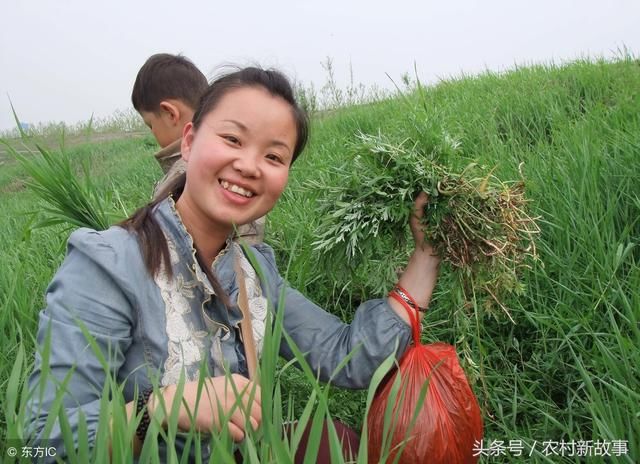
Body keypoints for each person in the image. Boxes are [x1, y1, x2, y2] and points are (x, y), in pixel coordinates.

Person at [26, 66, 440, 462]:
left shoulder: (254, 271)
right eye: (232, 139)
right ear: (188, 141)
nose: (248, 165)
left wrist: (425, 254)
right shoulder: (108, 265)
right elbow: (39, 443)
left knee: (336, 441)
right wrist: (161, 410)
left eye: (274, 157)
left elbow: (344, 356)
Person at [132, 53, 265, 242]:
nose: (152, 133)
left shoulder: (186, 174)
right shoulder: (237, 159)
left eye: (150, 124)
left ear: (170, 114)